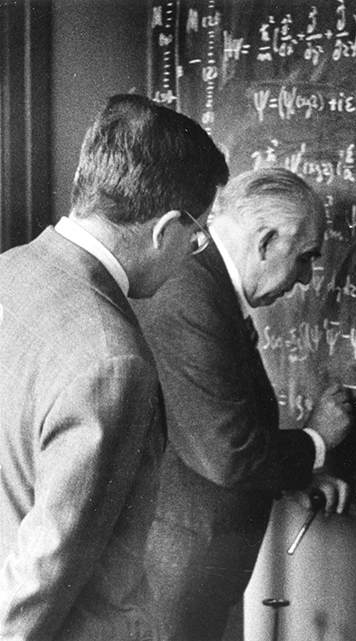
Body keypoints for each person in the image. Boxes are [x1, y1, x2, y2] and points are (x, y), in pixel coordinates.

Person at [0, 94, 229, 640]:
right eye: (196, 237)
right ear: (167, 227)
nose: (192, 250)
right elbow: (46, 569)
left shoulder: (10, 271)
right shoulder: (113, 360)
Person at [134, 167, 356, 641]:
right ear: (266, 240)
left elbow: (207, 423)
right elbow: (228, 451)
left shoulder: (203, 284)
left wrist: (292, 473)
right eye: (304, 258)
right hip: (176, 575)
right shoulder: (192, 295)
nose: (305, 278)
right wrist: (316, 441)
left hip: (192, 567)